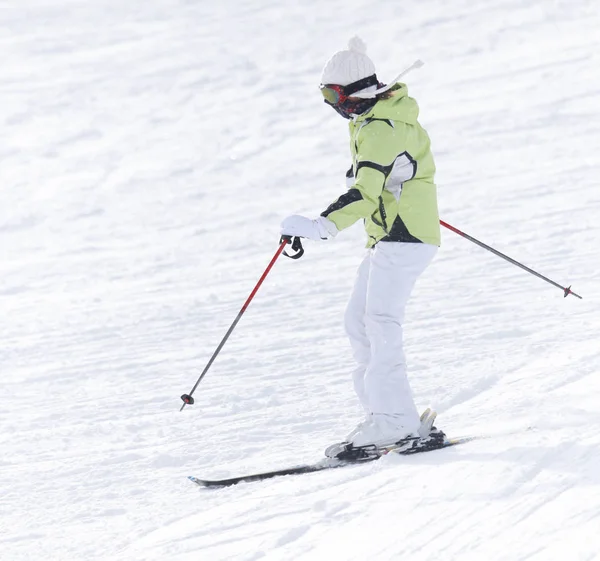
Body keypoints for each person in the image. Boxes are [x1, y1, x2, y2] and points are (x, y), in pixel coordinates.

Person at [280, 37, 441, 450]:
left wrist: (321, 225)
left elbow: (366, 193)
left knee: (380, 321)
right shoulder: (375, 121)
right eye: (324, 94)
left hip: (403, 236)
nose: (330, 103)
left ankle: (395, 421)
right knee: (359, 322)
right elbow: (389, 176)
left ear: (353, 92)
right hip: (391, 235)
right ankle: (385, 417)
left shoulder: (382, 126)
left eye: (332, 94)